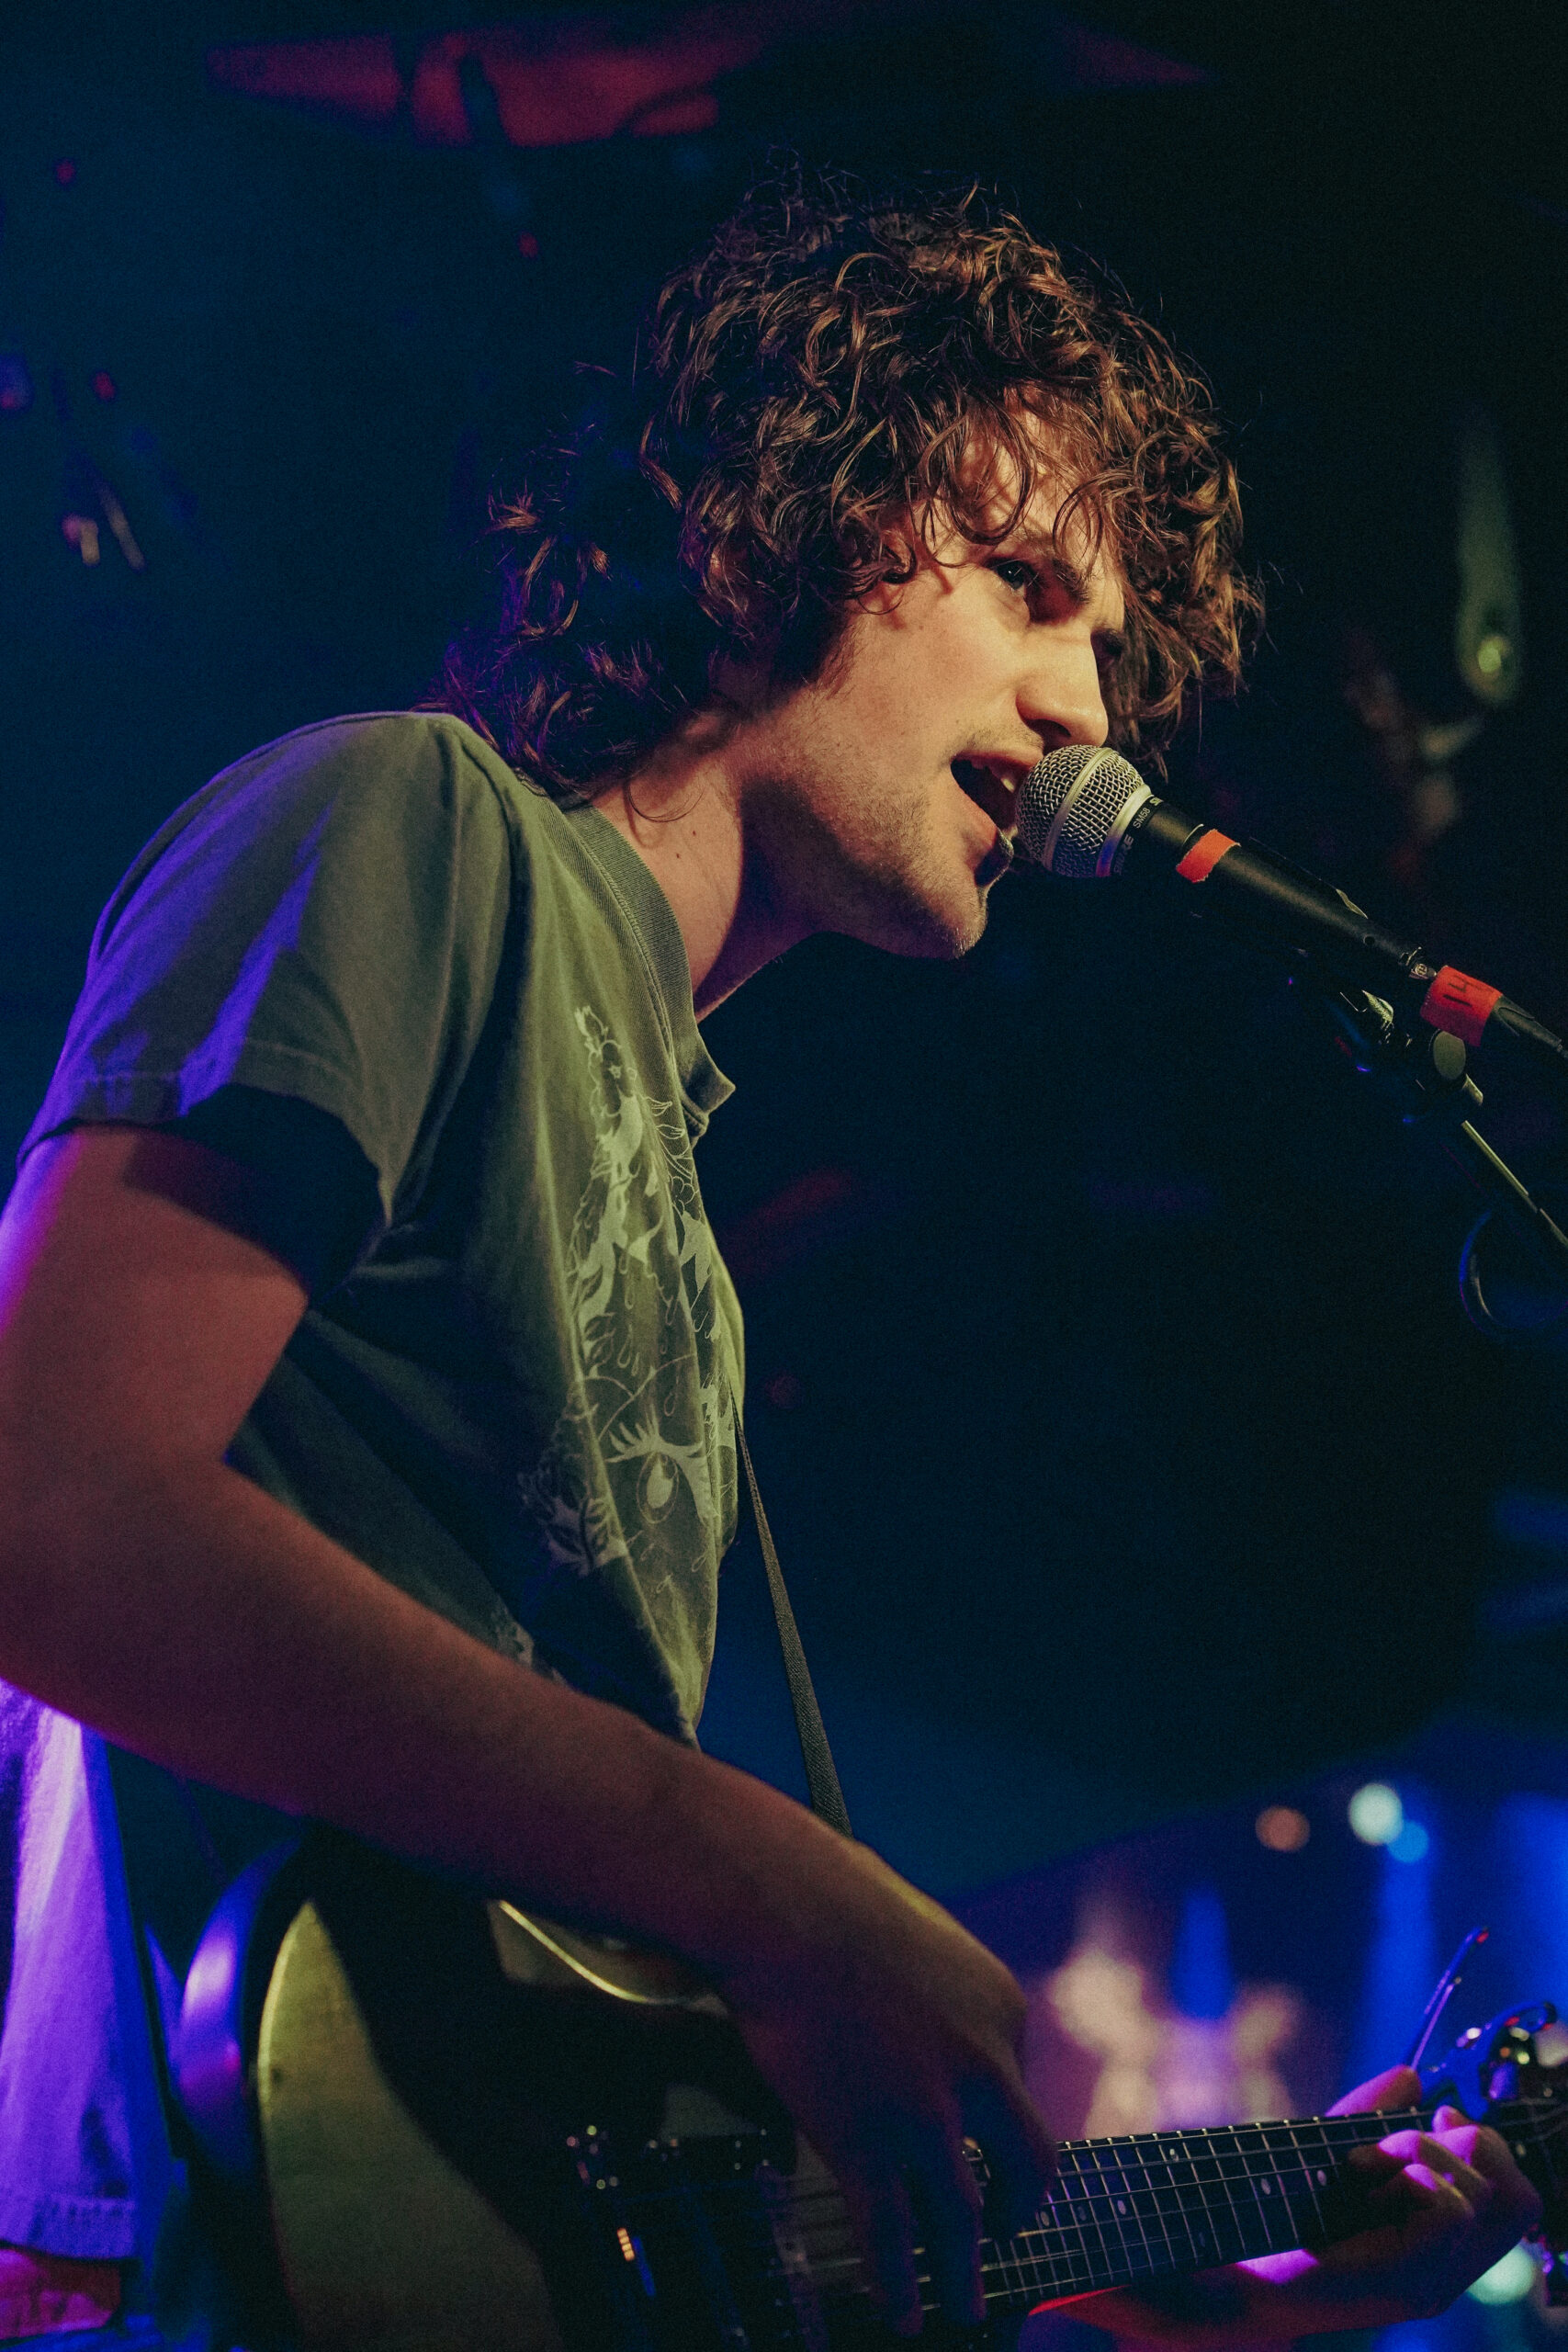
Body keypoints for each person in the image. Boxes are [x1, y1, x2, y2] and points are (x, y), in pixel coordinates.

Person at [0, 166, 1540, 2345]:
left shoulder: (681, 1210)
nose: (1085, 708)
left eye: (1103, 645)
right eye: (1027, 586)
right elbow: (44, 1502)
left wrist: (1247, 2300)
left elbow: (615, 2192)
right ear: (768, 531)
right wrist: (765, 1876)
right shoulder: (410, 823)